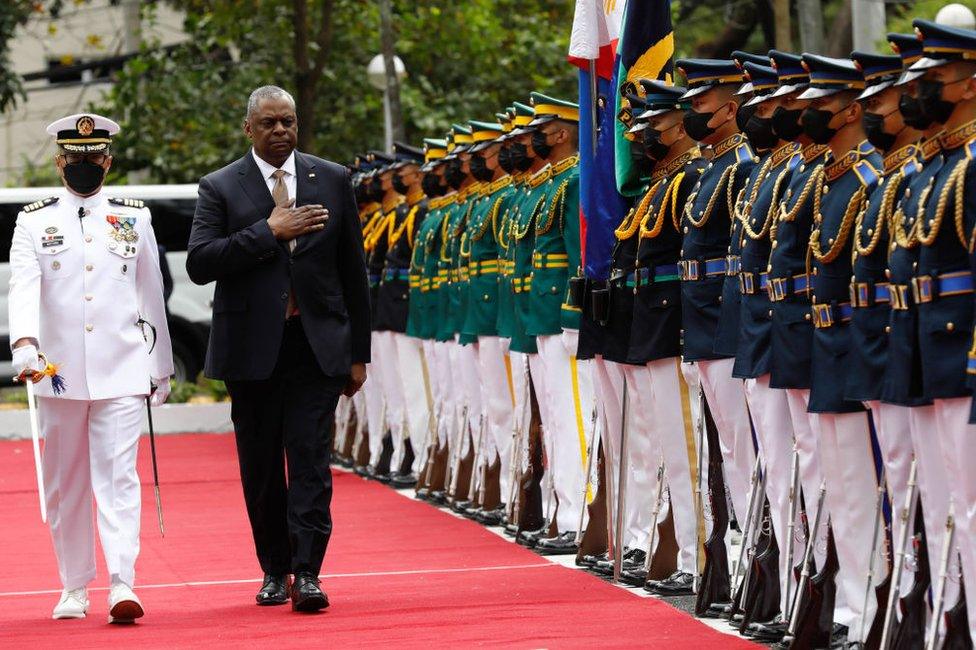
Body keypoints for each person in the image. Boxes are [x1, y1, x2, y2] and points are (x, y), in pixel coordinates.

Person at [186, 85, 370, 612]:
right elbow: (201, 262)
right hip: (252, 350)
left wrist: (359, 353)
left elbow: (352, 271)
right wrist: (268, 231)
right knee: (262, 465)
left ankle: (309, 572)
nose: (280, 131)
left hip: (316, 346)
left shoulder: (331, 178)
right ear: (248, 129)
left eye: (288, 121)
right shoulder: (220, 187)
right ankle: (274, 569)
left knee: (311, 458)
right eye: (268, 123)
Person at [8, 112, 173, 622]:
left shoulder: (134, 218)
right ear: (60, 163)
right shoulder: (34, 220)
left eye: (94, 158)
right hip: (56, 374)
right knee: (66, 483)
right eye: (75, 159)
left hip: (121, 369)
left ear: (108, 160)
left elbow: (152, 296)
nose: (85, 165)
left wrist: (160, 366)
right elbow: (24, 286)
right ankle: (74, 585)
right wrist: (25, 344)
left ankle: (123, 581)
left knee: (118, 477)